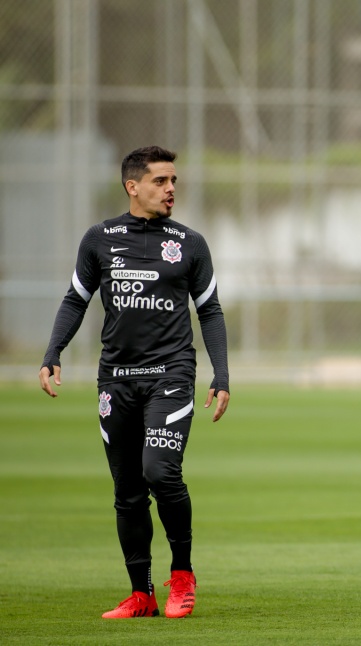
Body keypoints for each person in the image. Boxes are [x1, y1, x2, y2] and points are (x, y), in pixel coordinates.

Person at [39, 146, 230, 619]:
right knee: (127, 489)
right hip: (115, 381)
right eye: (161, 181)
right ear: (133, 186)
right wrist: (53, 352)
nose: (170, 189)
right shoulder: (99, 239)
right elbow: (75, 299)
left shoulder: (190, 242)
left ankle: (182, 576)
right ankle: (140, 593)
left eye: (174, 182)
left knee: (159, 472)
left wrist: (221, 374)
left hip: (171, 374)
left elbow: (209, 310)